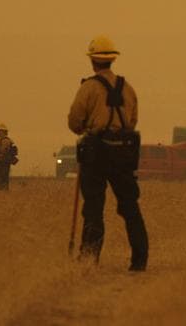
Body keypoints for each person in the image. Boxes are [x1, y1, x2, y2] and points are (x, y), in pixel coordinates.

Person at [68, 35, 148, 271]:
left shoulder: (88, 88)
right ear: (112, 59)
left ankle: (90, 259)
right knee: (130, 206)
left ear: (93, 61)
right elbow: (132, 121)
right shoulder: (128, 88)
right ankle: (139, 261)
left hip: (96, 153)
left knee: (93, 206)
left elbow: (75, 122)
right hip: (124, 153)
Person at [0, 123, 16, 190]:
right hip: (4, 161)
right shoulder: (5, 140)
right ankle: (3, 191)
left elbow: (2, 151)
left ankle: (3, 191)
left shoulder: (5, 141)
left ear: (3, 131)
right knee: (4, 177)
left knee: (2, 177)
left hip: (3, 162)